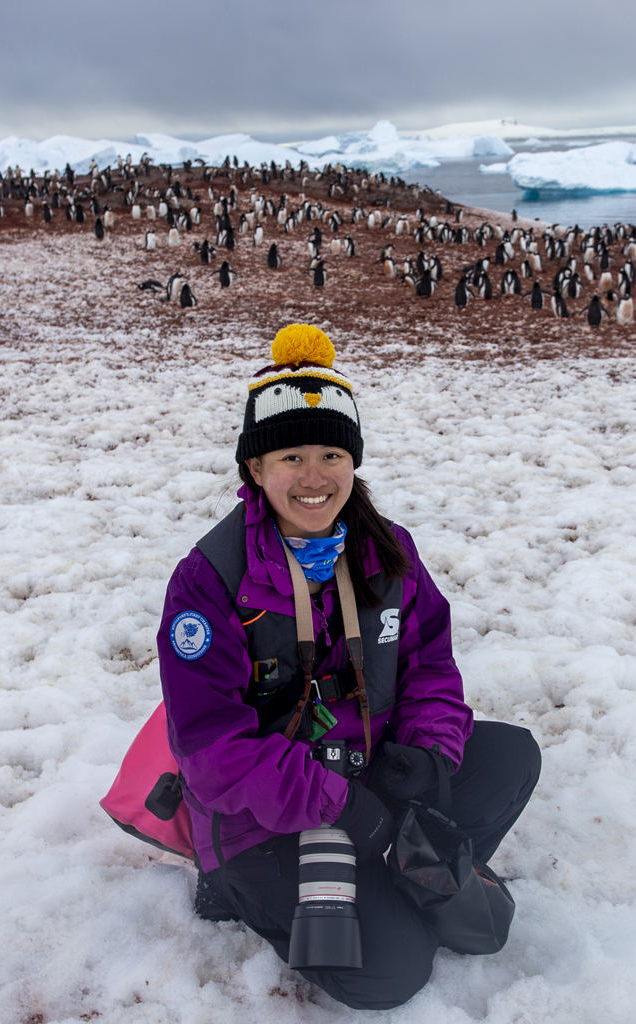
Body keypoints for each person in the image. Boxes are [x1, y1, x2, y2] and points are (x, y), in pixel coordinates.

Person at [157, 324, 541, 1010]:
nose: (314, 477)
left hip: (369, 772)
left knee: (509, 757)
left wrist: (426, 751)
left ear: (353, 462)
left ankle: (394, 876)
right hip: (262, 819)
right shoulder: (210, 581)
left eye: (331, 453)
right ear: (255, 469)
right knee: (394, 972)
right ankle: (250, 889)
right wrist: (340, 805)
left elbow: (430, 666)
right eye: (291, 457)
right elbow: (215, 753)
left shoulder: (388, 552)